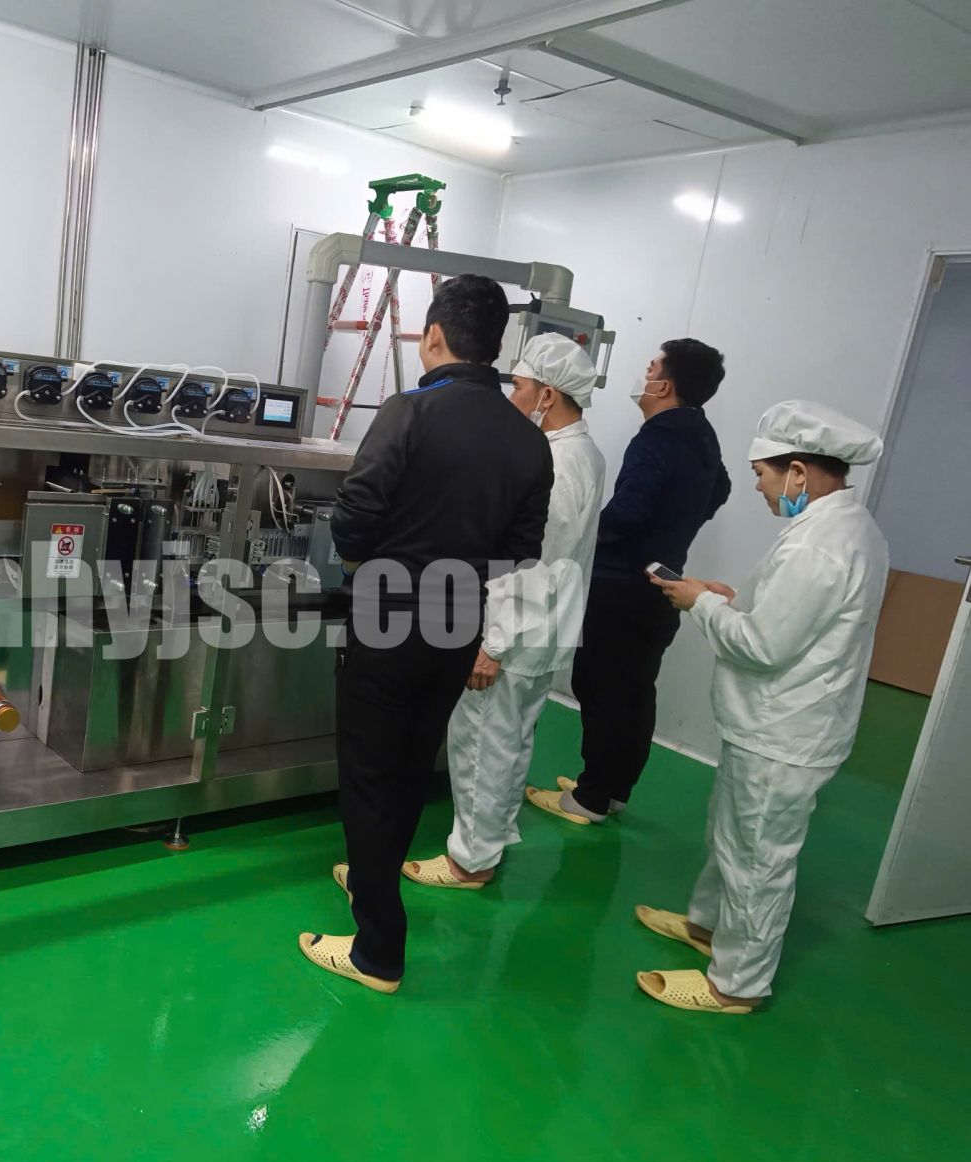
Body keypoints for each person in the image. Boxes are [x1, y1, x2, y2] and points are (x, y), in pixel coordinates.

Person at [300, 274, 554, 994]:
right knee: (412, 765)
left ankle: (377, 950)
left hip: (389, 614)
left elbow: (354, 515)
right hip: (457, 619)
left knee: (368, 771)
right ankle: (371, 875)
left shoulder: (409, 412)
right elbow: (521, 551)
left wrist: (373, 565)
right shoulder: (529, 440)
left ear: (434, 336)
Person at [637, 400, 887, 1014]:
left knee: (757, 858)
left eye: (761, 473)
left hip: (785, 730)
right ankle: (707, 926)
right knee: (731, 832)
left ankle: (737, 983)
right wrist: (728, 598)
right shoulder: (843, 527)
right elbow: (791, 618)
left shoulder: (820, 547)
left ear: (797, 471)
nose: (757, 486)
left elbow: (763, 646)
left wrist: (699, 604)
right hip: (773, 723)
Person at [404, 333, 606, 888]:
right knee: (513, 740)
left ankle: (470, 861)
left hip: (517, 634)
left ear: (547, 394)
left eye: (518, 386)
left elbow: (534, 563)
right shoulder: (584, 452)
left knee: (482, 743)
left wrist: (492, 643)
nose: (511, 396)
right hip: (546, 630)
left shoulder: (559, 463)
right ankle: (492, 837)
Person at [528, 338, 729, 825]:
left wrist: (586, 535)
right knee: (635, 689)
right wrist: (674, 532)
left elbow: (629, 512)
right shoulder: (700, 432)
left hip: (621, 588)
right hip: (661, 583)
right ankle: (613, 787)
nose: (644, 374)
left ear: (664, 385)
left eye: (651, 367)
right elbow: (719, 489)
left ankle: (590, 798)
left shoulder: (658, 437)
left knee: (602, 686)